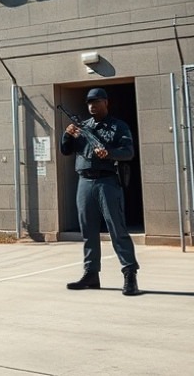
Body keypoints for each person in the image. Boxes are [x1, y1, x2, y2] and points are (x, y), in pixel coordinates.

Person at [60, 88, 140, 296]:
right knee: (88, 231)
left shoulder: (118, 127)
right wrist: (67, 135)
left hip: (107, 182)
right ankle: (91, 274)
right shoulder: (82, 127)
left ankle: (130, 274)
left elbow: (128, 152)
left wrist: (109, 153)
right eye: (89, 102)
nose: (92, 106)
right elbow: (67, 151)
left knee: (117, 229)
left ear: (106, 103)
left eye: (96, 102)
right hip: (85, 182)